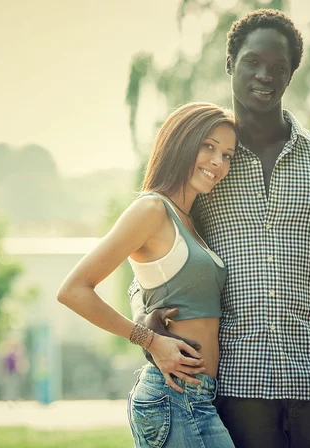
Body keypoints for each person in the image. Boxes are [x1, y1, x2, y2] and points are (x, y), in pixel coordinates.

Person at [131, 9, 310, 448]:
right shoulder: (205, 169)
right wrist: (143, 316)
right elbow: (155, 253)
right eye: (252, 62)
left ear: (291, 76)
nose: (264, 75)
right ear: (231, 62)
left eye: (278, 67)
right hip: (234, 394)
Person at [58, 102, 239, 447]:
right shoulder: (152, 209)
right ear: (182, 143)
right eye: (209, 146)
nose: (218, 162)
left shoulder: (191, 220)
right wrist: (149, 339)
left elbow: (145, 283)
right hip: (175, 397)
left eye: (227, 155)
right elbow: (74, 290)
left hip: (198, 396)